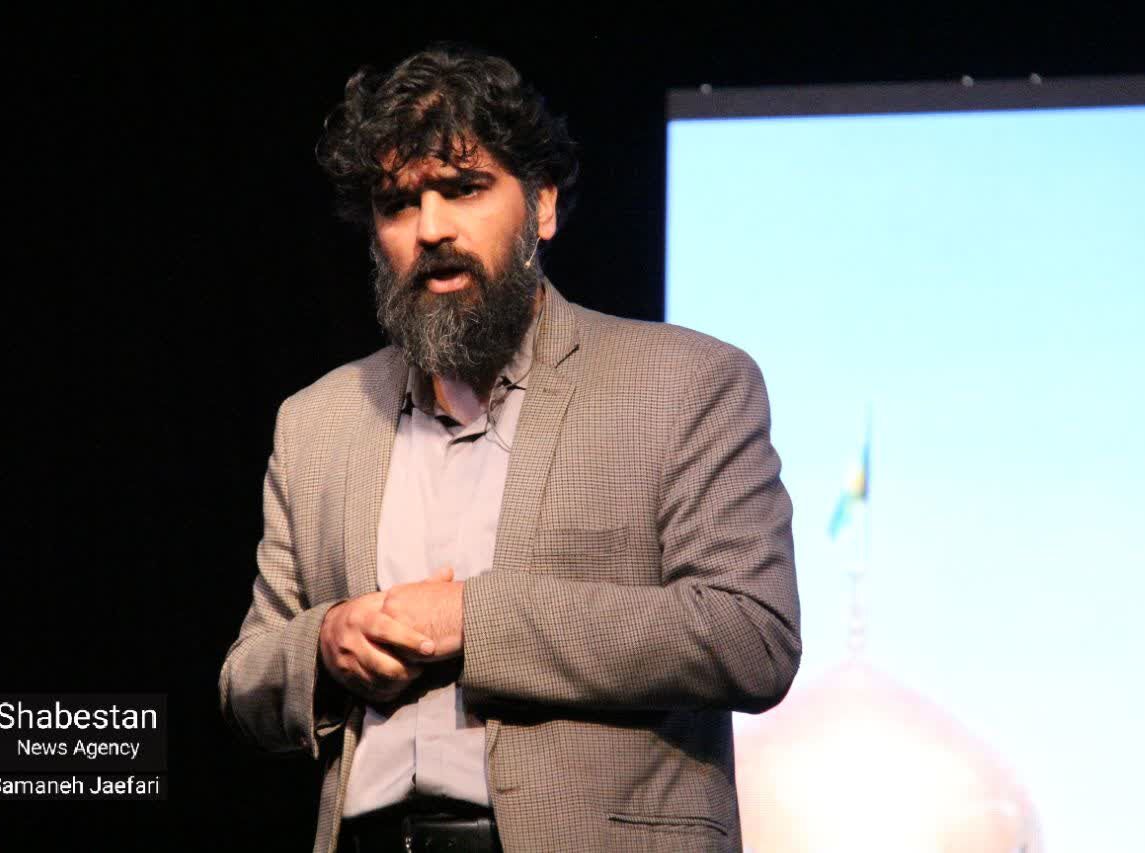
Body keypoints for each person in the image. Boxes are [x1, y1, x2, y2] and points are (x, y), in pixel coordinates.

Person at [218, 44, 801, 853]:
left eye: (464, 188)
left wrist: (471, 617)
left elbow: (750, 634)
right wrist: (323, 645)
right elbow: (246, 679)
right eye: (399, 203)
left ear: (543, 205)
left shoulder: (685, 383)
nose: (431, 229)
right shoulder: (318, 420)